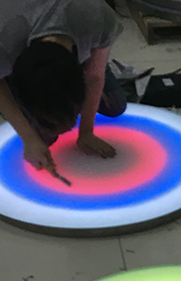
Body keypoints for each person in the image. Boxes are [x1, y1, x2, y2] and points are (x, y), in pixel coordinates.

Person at [0, 0, 127, 174]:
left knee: (115, 105)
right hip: (16, 48)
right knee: (44, 139)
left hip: (78, 45)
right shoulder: (4, 43)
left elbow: (94, 76)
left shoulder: (99, 17)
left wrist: (86, 132)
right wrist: (29, 139)